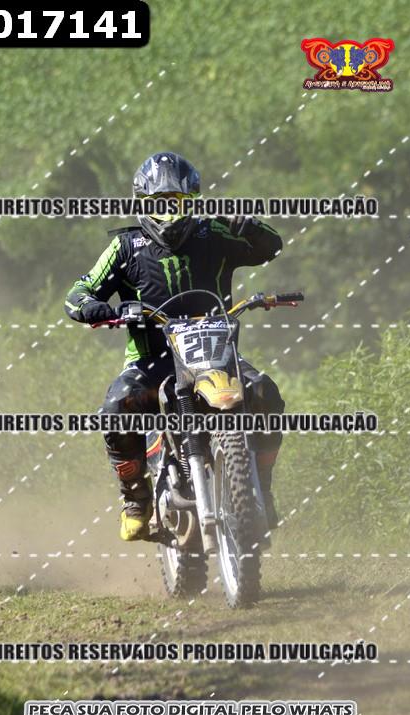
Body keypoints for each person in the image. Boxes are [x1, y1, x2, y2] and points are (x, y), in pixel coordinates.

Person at [65, 152, 284, 541]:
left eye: (177, 202)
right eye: (159, 203)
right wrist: (94, 306)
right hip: (152, 361)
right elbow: (78, 292)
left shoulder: (213, 234)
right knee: (117, 407)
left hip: (216, 356)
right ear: (142, 203)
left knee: (265, 392)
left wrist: (248, 225)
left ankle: (261, 488)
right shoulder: (126, 247)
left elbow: (272, 247)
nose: (168, 213)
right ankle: (136, 498)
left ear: (192, 202)